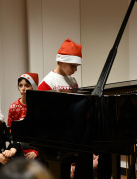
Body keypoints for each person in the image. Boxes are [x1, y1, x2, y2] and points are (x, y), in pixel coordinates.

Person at [38, 39, 93, 179]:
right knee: (62, 168)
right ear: (61, 62)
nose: (75, 70)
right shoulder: (47, 82)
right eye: (73, 66)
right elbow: (42, 112)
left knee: (86, 153)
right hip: (57, 133)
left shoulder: (72, 81)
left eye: (77, 66)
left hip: (72, 130)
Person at [7, 73, 40, 160]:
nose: (23, 88)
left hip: (34, 146)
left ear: (33, 87)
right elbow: (10, 130)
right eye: (20, 85)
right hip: (17, 146)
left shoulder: (38, 107)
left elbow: (41, 132)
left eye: (27, 85)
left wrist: (36, 151)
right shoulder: (13, 107)